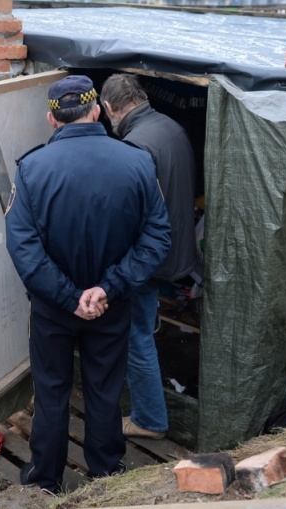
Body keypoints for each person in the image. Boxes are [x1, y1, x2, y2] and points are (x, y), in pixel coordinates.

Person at [5, 75, 172, 495]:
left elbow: (23, 247)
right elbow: (157, 238)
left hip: (52, 310)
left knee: (52, 390)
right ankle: (105, 476)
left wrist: (68, 297)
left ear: (51, 119)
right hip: (110, 306)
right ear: (97, 110)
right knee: (104, 390)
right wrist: (107, 289)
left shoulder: (32, 168)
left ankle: (44, 479)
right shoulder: (136, 162)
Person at [100, 73, 199, 440]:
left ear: (109, 108)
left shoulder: (136, 146)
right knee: (144, 328)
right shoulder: (170, 127)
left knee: (135, 336)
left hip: (150, 260)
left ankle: (149, 420)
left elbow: (130, 219)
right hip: (177, 250)